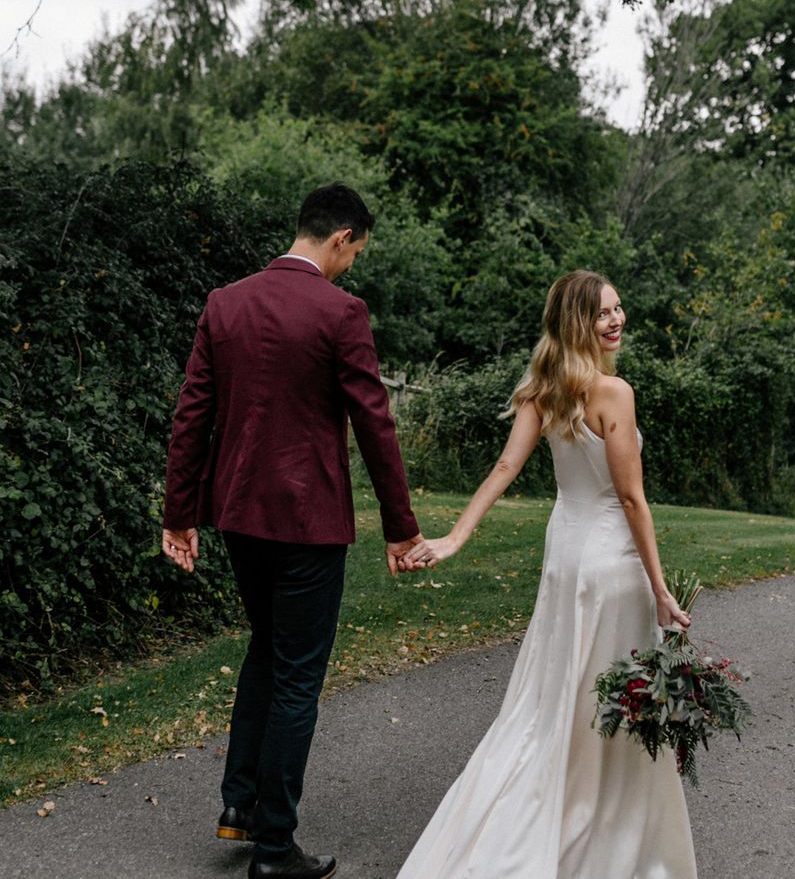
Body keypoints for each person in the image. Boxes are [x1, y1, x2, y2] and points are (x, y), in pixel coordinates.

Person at [396, 269, 698, 879]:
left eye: (618, 308)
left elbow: (505, 466)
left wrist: (457, 536)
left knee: (553, 698)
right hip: (609, 564)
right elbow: (631, 499)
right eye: (602, 313)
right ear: (577, 323)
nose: (616, 320)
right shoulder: (613, 392)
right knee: (609, 698)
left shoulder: (545, 388)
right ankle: (606, 834)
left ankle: (548, 808)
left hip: (564, 559)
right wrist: (660, 589)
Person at [162, 183, 423, 879]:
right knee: (298, 677)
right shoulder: (340, 312)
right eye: (355, 253)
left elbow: (192, 416)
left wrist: (179, 514)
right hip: (308, 524)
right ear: (341, 238)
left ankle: (240, 804)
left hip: (239, 516)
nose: (351, 266)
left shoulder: (225, 303)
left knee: (268, 650)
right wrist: (400, 527)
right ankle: (275, 850)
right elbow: (375, 423)